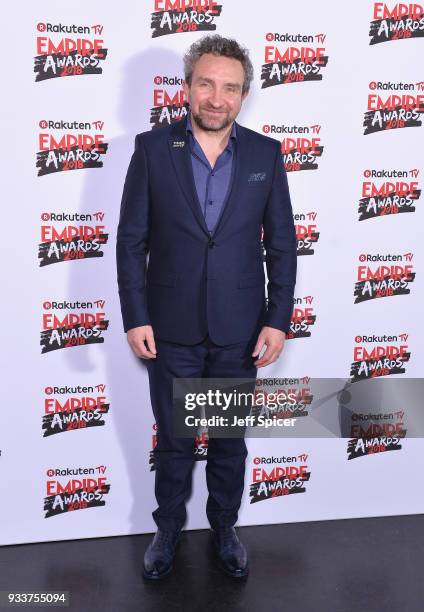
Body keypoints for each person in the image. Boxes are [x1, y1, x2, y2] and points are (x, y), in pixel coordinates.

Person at [116, 34, 297, 580]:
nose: (217, 98)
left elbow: (281, 243)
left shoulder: (266, 153)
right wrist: (136, 315)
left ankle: (224, 528)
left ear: (243, 95)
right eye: (207, 84)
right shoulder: (152, 149)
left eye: (230, 88)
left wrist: (278, 318)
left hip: (238, 331)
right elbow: (130, 240)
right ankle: (166, 531)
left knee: (226, 441)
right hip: (170, 329)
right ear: (189, 88)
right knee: (172, 442)